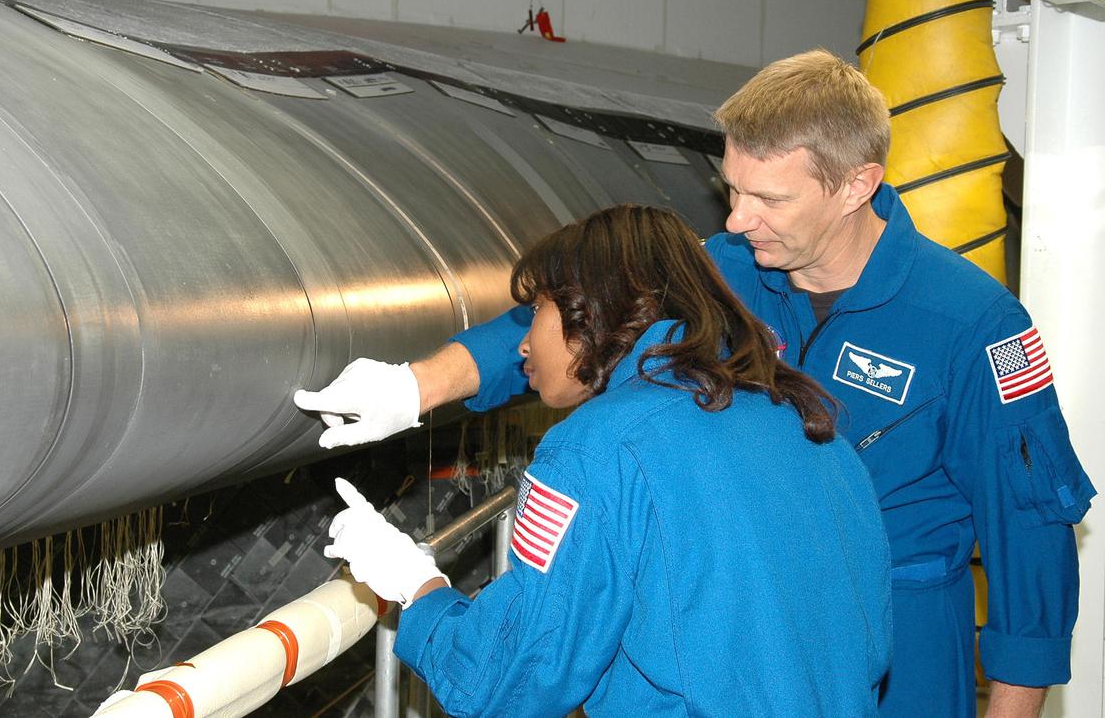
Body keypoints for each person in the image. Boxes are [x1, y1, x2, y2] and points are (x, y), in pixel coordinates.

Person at [294, 50, 1096, 717]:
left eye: (768, 197)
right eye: (732, 189)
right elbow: (579, 314)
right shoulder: (725, 271)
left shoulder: (972, 324)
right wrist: (416, 384)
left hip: (899, 638)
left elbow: (1030, 540)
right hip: (725, 628)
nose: (738, 218)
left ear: (857, 185)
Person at [316, 205, 891, 717]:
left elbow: (513, 680)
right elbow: (867, 649)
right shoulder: (804, 422)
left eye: (538, 309)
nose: (521, 344)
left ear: (589, 311)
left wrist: (416, 588)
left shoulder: (594, 449)